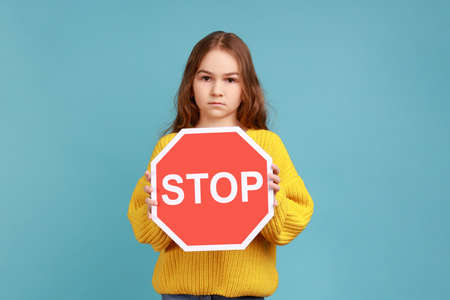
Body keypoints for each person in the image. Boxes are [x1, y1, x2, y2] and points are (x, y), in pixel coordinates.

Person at [127, 31, 314, 300]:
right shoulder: (169, 147)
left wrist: (274, 202)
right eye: (206, 78)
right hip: (179, 295)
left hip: (244, 296)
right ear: (191, 84)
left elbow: (291, 224)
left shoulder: (266, 146)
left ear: (246, 87)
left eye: (230, 79)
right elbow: (147, 231)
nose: (217, 90)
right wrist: (154, 209)